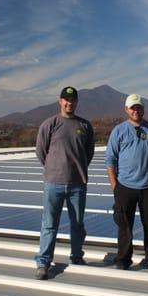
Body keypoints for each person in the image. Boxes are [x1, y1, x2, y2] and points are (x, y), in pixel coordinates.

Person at [34, 86, 95, 280]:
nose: (70, 103)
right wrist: (54, 167)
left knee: (77, 224)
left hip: (77, 183)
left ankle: (76, 257)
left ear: (77, 102)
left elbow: (89, 152)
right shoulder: (50, 124)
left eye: (73, 100)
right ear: (60, 101)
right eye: (66, 99)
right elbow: (41, 151)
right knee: (50, 224)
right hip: (54, 183)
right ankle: (43, 262)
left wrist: (77, 168)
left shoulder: (84, 126)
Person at [106, 94, 148, 273]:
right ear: (126, 110)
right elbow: (110, 160)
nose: (136, 110)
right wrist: (115, 187)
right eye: (132, 107)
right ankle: (123, 259)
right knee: (124, 226)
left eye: (138, 107)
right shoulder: (119, 131)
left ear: (143, 109)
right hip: (124, 187)